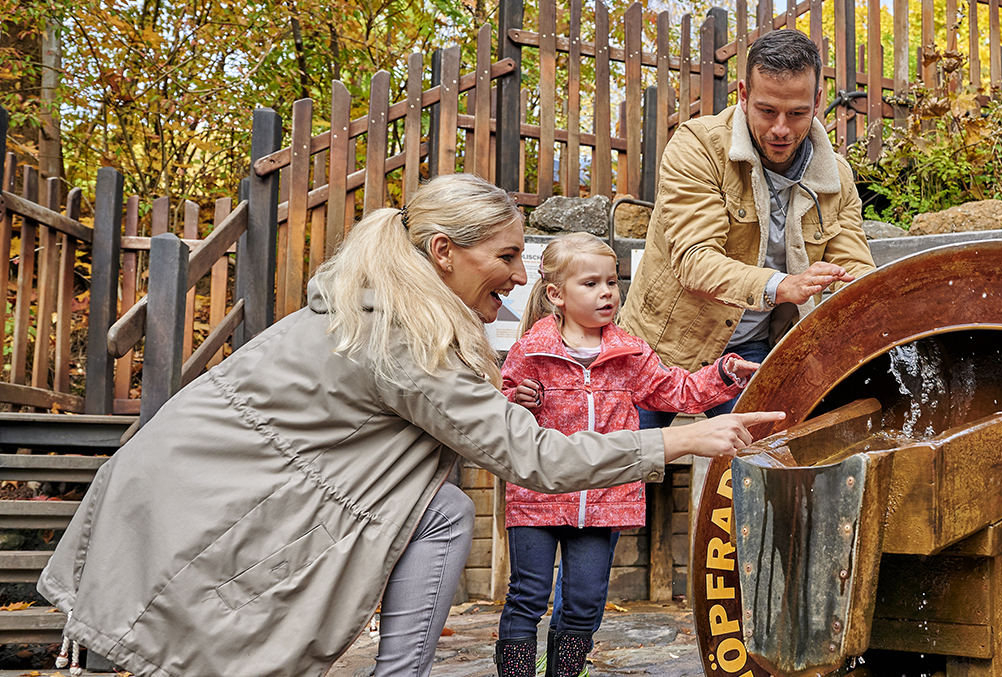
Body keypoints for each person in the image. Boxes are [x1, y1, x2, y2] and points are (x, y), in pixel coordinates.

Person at [36, 174, 782, 677]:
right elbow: (533, 456)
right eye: (507, 256)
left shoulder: (394, 307)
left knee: (449, 512)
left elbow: (636, 386)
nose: (520, 277)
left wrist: (707, 390)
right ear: (443, 254)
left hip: (203, 489)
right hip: (190, 502)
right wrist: (685, 437)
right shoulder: (404, 339)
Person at [494, 233, 758, 677]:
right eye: (591, 284)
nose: (606, 293)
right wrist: (516, 398)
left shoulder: (630, 353)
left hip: (604, 500)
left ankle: (566, 671)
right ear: (556, 295)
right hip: (537, 499)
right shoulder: (531, 351)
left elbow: (678, 390)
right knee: (528, 595)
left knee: (584, 598)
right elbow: (497, 408)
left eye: (612, 282)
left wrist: (724, 371)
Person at [621, 28, 876, 427]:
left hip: (752, 353)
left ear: (817, 102)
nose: (781, 129)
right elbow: (694, 261)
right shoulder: (698, 146)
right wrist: (782, 285)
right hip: (660, 347)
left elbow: (856, 274)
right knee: (624, 476)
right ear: (742, 94)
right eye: (766, 110)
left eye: (796, 113)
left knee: (761, 473)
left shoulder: (836, 178)